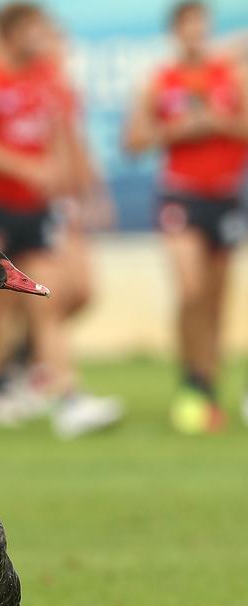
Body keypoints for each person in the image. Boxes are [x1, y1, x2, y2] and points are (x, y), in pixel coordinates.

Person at [0, 2, 123, 439]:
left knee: (48, 297)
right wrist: (26, 168)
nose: (44, 37)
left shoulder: (49, 81)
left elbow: (66, 140)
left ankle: (67, 397)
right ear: (12, 33)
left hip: (36, 210)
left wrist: (87, 193)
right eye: (34, 29)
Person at [125, 0, 248, 434]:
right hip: (181, 194)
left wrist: (218, 121)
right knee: (191, 288)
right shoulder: (160, 82)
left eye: (203, 26)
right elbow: (134, 140)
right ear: (176, 33)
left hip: (225, 195)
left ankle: (207, 386)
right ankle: (191, 377)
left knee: (216, 298)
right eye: (188, 27)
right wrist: (177, 130)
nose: (197, 34)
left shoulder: (230, 77)